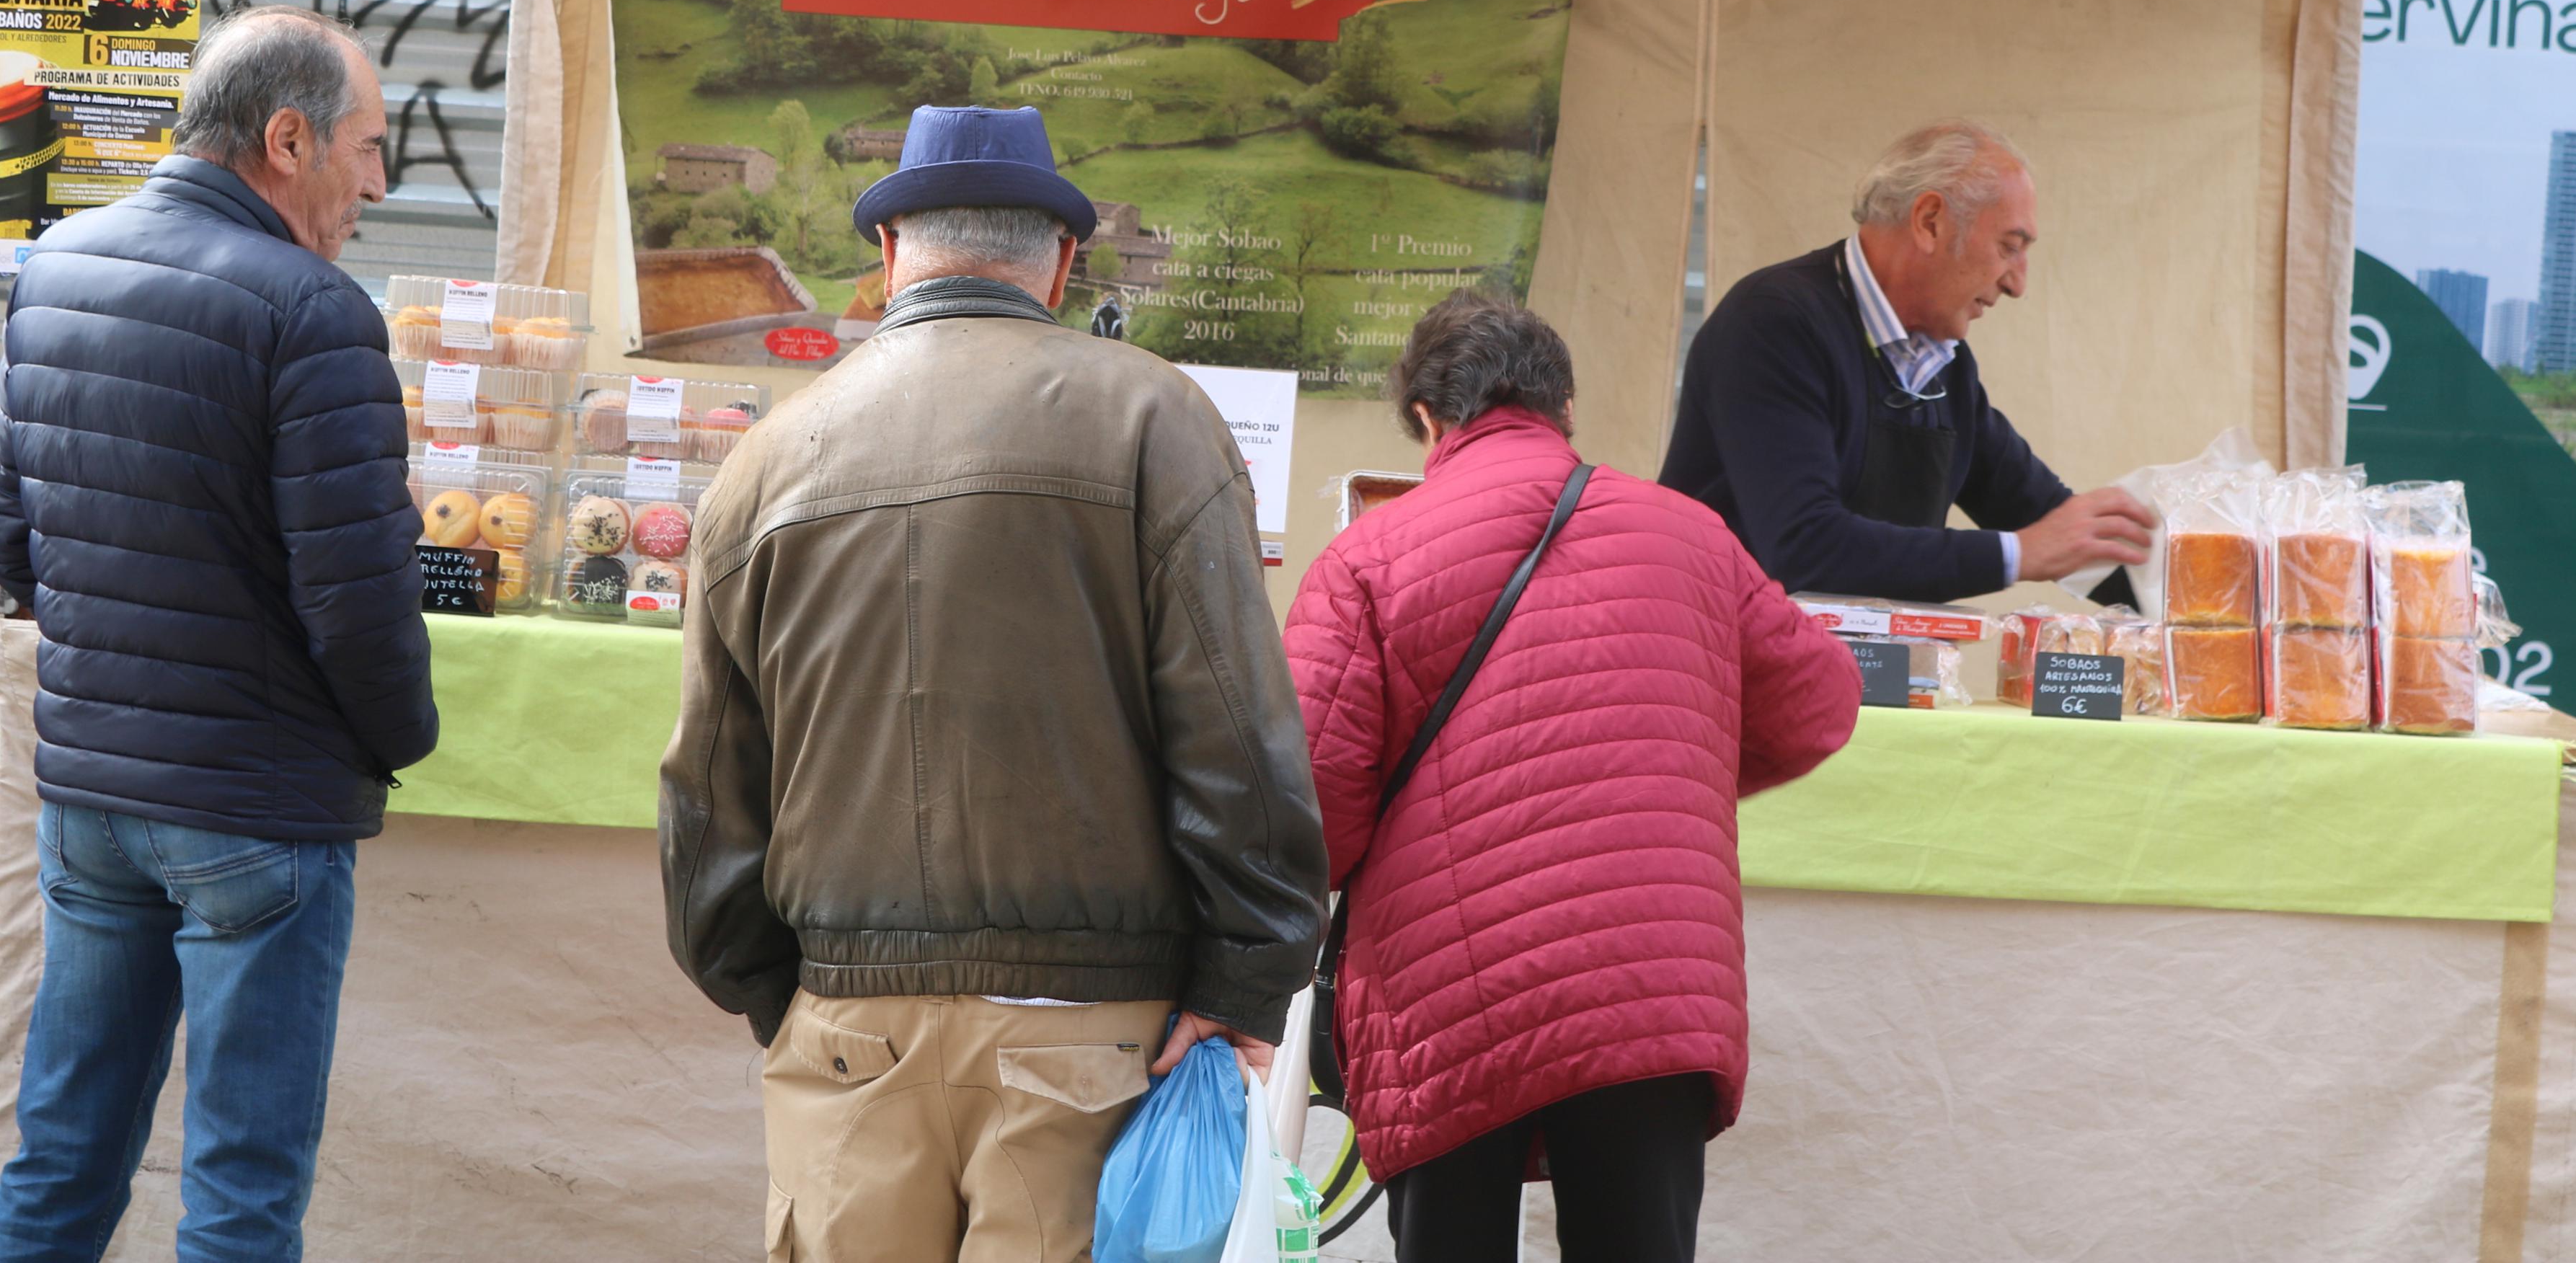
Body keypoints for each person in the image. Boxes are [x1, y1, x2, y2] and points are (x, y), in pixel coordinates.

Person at [660, 104, 1329, 1263]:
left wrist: (795, 997)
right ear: (1061, 261)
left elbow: (707, 792)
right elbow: (1239, 738)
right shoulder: (1152, 414)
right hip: (1092, 1034)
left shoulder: (766, 457)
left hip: (844, 1029)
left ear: (888, 255)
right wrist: (1248, 974)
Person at [0, 8, 437, 1262]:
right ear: (287, 140)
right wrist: (403, 743)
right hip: (260, 811)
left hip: (91, 801)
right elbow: (357, 601)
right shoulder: (317, 313)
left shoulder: (59, 265)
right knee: (239, 1194)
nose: (379, 181)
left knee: (61, 1157)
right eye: (365, 147)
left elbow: (7, 546)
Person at [1287, 291, 1860, 1263]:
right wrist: (1664, 767)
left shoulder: (1366, 555)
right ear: (1562, 408)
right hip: (1650, 977)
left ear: (1429, 418)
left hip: (1448, 991)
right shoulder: (1691, 532)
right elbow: (1819, 700)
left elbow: (1311, 801)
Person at [1661, 119, 2154, 603]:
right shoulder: (1774, 321)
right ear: (1929, 221)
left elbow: (2051, 523)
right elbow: (1803, 546)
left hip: (1858, 677)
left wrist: (2194, 588)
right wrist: (2016, 554)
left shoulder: (1945, 365)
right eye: (2009, 247)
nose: (2017, 284)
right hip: (1718, 670)